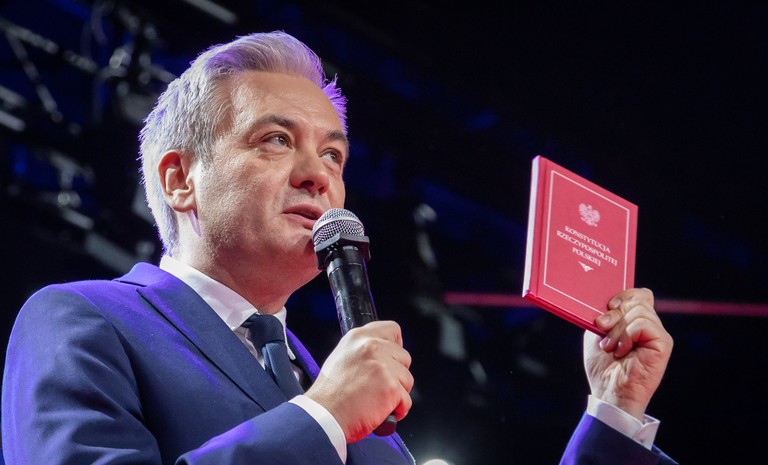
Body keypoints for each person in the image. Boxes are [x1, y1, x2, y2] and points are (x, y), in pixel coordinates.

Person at [0, 31, 677, 465]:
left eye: (333, 154)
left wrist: (614, 411)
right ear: (180, 179)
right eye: (275, 140)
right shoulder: (84, 321)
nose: (317, 174)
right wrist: (321, 416)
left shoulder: (360, 409)